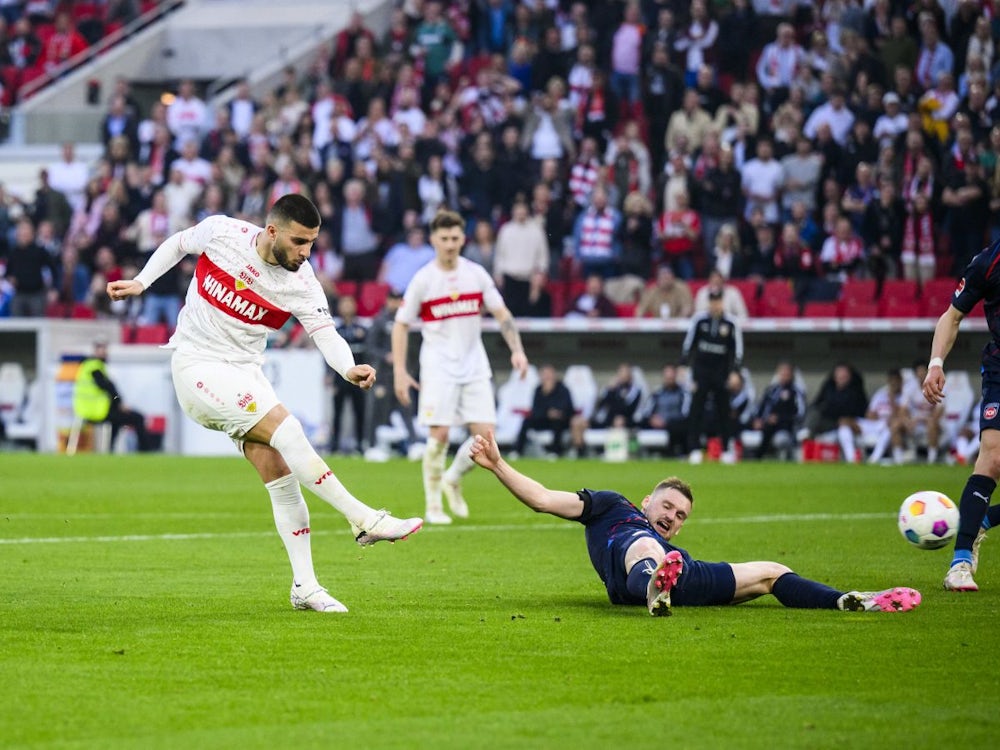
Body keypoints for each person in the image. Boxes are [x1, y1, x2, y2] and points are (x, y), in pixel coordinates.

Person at [107, 194, 422, 614]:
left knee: (282, 476)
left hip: (244, 374)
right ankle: (364, 518)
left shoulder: (302, 281)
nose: (305, 252)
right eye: (298, 241)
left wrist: (348, 367)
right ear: (271, 231)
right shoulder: (223, 233)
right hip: (196, 366)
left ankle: (305, 587)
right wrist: (142, 282)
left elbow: (325, 333)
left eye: (312, 243)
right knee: (289, 430)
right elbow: (179, 243)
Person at [468, 431, 921, 616]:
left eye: (680, 515)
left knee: (770, 572)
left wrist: (672, 562)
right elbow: (544, 499)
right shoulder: (611, 507)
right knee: (647, 550)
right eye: (666, 507)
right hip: (635, 570)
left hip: (679, 573)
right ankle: (653, 589)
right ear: (647, 501)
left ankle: (847, 601)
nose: (671, 516)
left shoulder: (671, 543)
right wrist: (497, 465)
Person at [392, 208, 529, 525]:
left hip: (474, 364)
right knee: (439, 434)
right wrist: (400, 371)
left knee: (486, 438)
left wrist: (517, 350)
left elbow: (503, 315)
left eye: (455, 238)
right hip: (438, 366)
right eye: (444, 239)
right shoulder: (424, 279)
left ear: (463, 238)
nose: (450, 244)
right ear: (433, 240)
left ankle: (453, 477)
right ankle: (433, 506)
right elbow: (400, 325)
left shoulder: (476, 274)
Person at [923, 252, 1000, 592]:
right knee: (993, 456)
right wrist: (935, 363)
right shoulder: (989, 261)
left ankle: (982, 517)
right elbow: (952, 317)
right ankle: (960, 562)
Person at [682, 289, 743, 463]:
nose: (715, 304)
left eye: (718, 301)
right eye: (712, 301)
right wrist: (684, 367)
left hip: (721, 373)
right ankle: (694, 449)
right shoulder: (699, 320)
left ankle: (726, 450)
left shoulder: (731, 323)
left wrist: (735, 372)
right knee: (696, 411)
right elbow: (689, 345)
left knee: (723, 411)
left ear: (722, 302)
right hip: (701, 373)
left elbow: (736, 350)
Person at [73, 340, 155, 452]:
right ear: (96, 351)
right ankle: (145, 450)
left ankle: (110, 449)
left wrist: (117, 401)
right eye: (102, 350)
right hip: (97, 411)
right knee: (137, 418)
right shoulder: (94, 367)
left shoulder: (87, 366)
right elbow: (108, 388)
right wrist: (119, 402)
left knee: (118, 419)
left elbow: (108, 389)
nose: (105, 353)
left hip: (87, 410)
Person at [513, 364, 574, 458]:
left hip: (560, 420)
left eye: (549, 374)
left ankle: (556, 451)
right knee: (526, 421)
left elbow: (568, 407)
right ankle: (517, 451)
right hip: (543, 419)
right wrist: (547, 412)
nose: (547, 377)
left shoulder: (563, 389)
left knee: (557, 423)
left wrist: (557, 412)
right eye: (544, 375)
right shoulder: (538, 390)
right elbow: (536, 409)